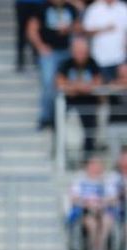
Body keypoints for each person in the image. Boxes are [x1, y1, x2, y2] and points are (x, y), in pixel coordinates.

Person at [28, 0, 79, 130]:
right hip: (50, 53)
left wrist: (69, 29)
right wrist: (40, 46)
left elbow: (80, 27)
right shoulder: (43, 7)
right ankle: (46, 117)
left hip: (67, 52)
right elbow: (31, 29)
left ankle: (59, 118)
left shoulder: (70, 8)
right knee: (48, 84)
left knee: (69, 85)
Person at [57, 37, 103, 153]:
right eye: (78, 51)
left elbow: (98, 82)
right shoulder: (67, 63)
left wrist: (74, 87)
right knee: (66, 130)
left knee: (90, 131)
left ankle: (88, 156)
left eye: (83, 51)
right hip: (70, 104)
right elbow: (59, 83)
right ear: (73, 51)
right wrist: (81, 87)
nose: (80, 54)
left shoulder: (92, 63)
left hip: (89, 104)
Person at [68, 155, 119, 250]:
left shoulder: (106, 180)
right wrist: (87, 203)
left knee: (107, 221)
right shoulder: (80, 179)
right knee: (91, 224)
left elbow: (113, 197)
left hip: (103, 210)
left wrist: (101, 203)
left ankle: (100, 248)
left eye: (98, 165)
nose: (96, 167)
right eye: (93, 165)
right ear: (87, 166)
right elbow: (74, 197)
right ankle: (92, 249)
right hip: (85, 211)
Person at [81, 0, 127, 81]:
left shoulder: (123, 7)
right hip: (100, 59)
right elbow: (86, 31)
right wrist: (103, 29)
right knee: (103, 90)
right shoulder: (94, 8)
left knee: (121, 90)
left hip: (120, 58)